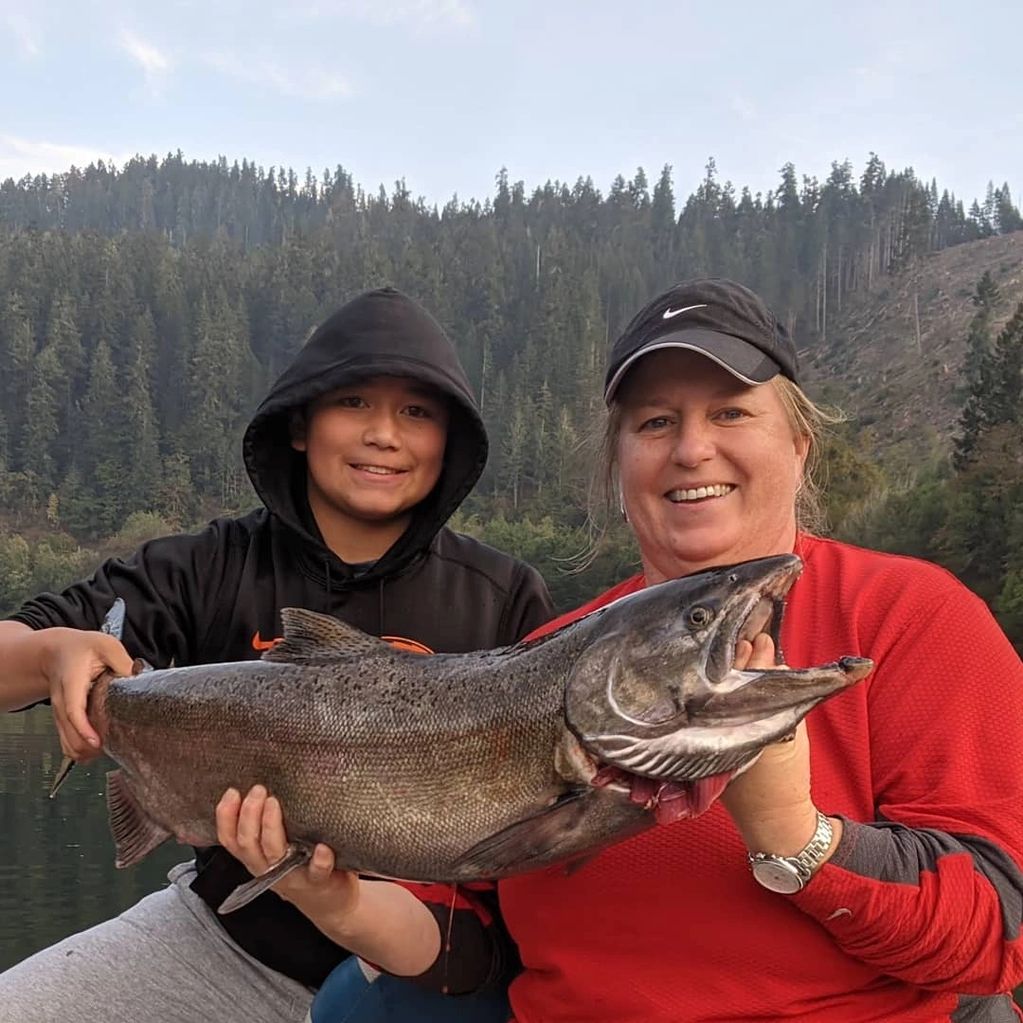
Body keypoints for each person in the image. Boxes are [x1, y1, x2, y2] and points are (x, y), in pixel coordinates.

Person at [312, 277, 1023, 1022]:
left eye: (730, 412)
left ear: (798, 445)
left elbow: (993, 934)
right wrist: (335, 899)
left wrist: (795, 833)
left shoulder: (911, 617)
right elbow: (463, 930)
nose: (691, 448)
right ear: (618, 464)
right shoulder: (547, 657)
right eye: (654, 422)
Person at [0, 286, 553, 1023]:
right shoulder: (206, 566)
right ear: (300, 423)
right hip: (223, 938)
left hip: (429, 979)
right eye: (353, 402)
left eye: (417, 412)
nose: (384, 434)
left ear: (449, 441)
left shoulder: (505, 597)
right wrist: (52, 656)